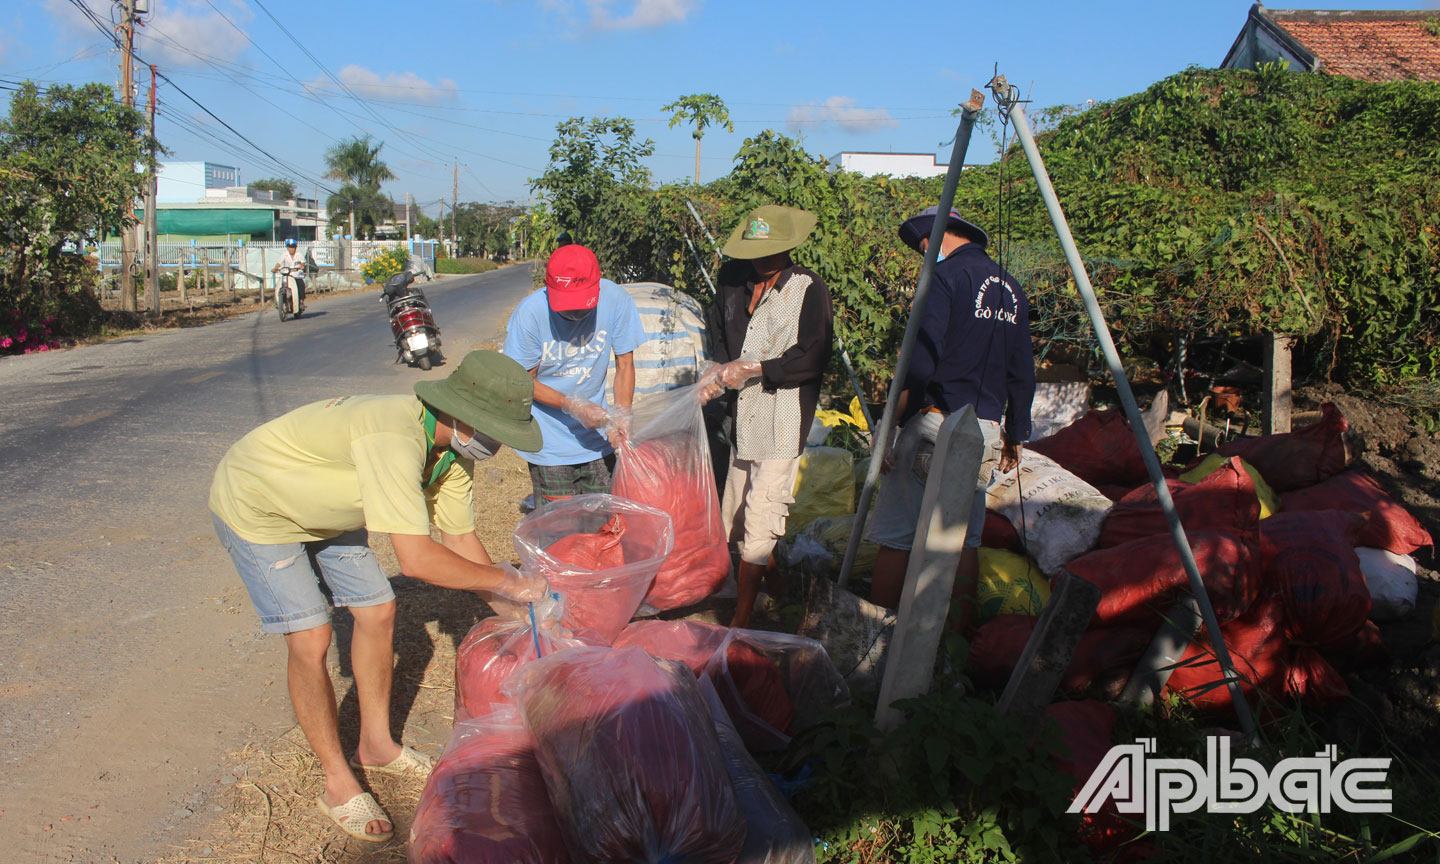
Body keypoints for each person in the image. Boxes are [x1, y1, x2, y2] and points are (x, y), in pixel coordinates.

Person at [208, 350, 548, 843]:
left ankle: (377, 746)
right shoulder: (395, 439)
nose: (496, 445)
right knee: (311, 636)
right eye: (494, 430)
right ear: (461, 412)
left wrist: (521, 612)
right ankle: (337, 782)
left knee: (378, 608)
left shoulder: (450, 452)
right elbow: (416, 560)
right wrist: (509, 581)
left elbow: (458, 542)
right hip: (260, 502)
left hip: (329, 509)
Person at [865, 206, 1035, 629]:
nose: (924, 259)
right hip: (984, 430)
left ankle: (873, 641)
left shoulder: (943, 279)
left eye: (923, 250)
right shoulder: (1011, 288)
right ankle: (954, 649)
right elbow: (1022, 371)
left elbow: (921, 362)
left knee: (899, 537)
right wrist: (1016, 433)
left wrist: (891, 426)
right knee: (964, 541)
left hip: (936, 422)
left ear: (935, 242)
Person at [701, 204, 834, 628]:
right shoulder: (732, 282)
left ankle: (740, 620)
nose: (762, 260)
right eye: (756, 251)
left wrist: (758, 367)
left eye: (772, 251)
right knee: (740, 514)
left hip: (783, 414)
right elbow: (720, 337)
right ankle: (778, 592)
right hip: (743, 415)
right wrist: (716, 371)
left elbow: (814, 355)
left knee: (762, 511)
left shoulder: (807, 287)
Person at [503, 244, 645, 506]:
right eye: (567, 305)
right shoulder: (530, 314)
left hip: (599, 438)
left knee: (603, 521)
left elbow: (625, 364)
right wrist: (571, 405)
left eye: (582, 305)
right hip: (548, 440)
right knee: (560, 529)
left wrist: (622, 415)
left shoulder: (617, 301)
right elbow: (522, 381)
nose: (575, 313)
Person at [272, 237, 308, 313]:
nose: (291, 249)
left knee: (300, 285)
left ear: (295, 247)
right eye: (290, 247)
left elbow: (303, 263)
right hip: (287, 275)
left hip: (297, 275)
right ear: (287, 248)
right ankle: (278, 301)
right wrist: (275, 269)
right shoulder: (284, 255)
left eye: (293, 247)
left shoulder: (299, 255)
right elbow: (279, 263)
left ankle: (301, 302)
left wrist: (301, 266)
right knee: (278, 285)